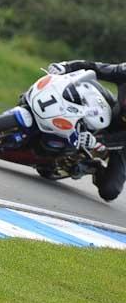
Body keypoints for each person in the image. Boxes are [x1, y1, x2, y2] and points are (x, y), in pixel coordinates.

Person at [47, 60, 126, 201]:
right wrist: (66, 67)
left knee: (109, 191)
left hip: (122, 144)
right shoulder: (124, 71)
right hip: (113, 114)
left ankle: (93, 166)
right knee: (85, 86)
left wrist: (99, 141)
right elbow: (96, 68)